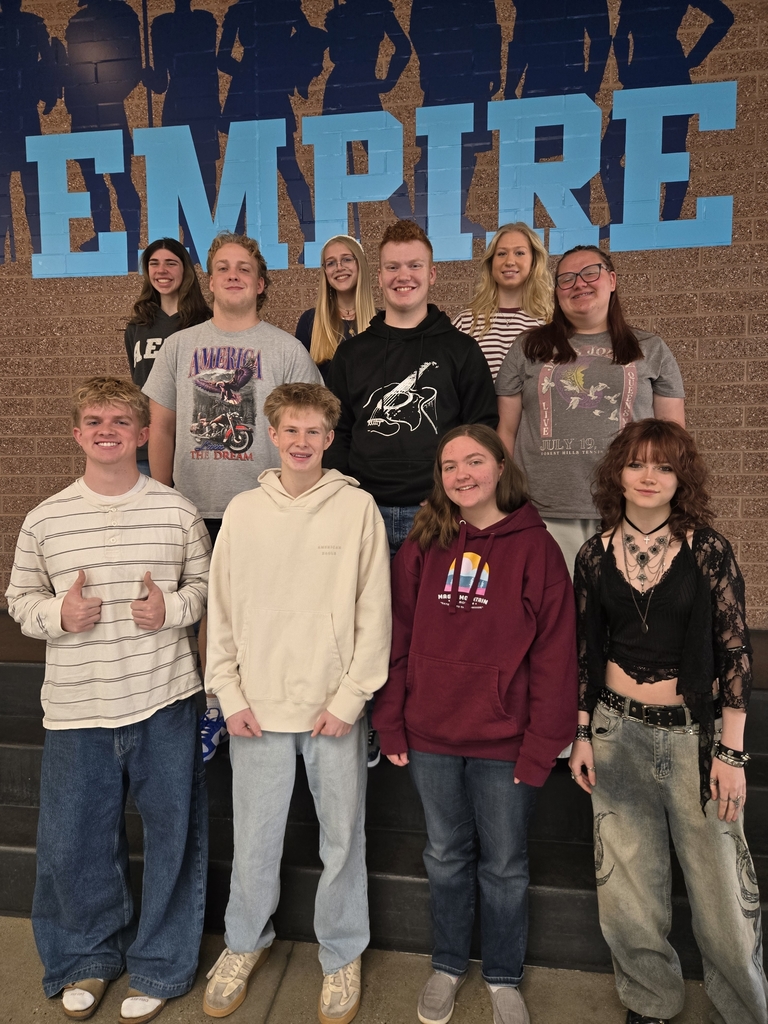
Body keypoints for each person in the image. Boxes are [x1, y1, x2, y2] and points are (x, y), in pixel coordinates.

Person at [5, 377, 210, 1024]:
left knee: (175, 838)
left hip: (164, 700)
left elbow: (206, 586)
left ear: (144, 433)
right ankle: (85, 959)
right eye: (94, 420)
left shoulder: (176, 509)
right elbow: (18, 600)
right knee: (75, 842)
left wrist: (172, 608)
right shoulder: (46, 518)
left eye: (122, 420)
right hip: (77, 709)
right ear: (76, 433)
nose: (108, 430)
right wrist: (59, 615)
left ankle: (160, 964)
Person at [373, 423, 577, 1024]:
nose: (462, 474)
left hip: (506, 741)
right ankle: (447, 963)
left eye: (475, 461)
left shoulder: (535, 548)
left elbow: (555, 653)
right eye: (449, 465)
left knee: (506, 863)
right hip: (430, 734)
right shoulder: (423, 542)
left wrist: (544, 745)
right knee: (444, 854)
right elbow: (396, 636)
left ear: (500, 467)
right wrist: (391, 722)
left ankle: (505, 974)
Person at [202, 382, 391, 1023]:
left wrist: (351, 697)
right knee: (255, 839)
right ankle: (243, 943)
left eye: (314, 432)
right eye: (291, 430)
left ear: (329, 439)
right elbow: (221, 613)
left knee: (342, 841)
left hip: (331, 710)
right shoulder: (243, 512)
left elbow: (374, 612)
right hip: (256, 706)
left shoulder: (356, 509)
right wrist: (228, 695)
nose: (302, 442)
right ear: (273, 435)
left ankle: (340, 956)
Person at [569, 418, 768, 1024]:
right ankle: (649, 999)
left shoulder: (707, 549)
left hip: (693, 739)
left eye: (663, 465)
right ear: (617, 474)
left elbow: (735, 651)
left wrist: (730, 753)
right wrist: (581, 732)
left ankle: (743, 1008)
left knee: (720, 891)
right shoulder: (593, 554)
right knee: (626, 888)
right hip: (615, 733)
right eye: (636, 463)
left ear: (682, 477)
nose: (648, 476)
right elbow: (585, 651)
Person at [143, 231, 321, 760]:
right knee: (203, 615)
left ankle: (259, 702)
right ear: (211, 281)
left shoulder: (286, 349)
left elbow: (308, 431)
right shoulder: (179, 346)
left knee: (260, 612)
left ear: (261, 282)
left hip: (264, 509)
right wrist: (161, 498)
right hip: (195, 506)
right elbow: (161, 428)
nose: (233, 274)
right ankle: (212, 709)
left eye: (244, 267)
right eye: (222, 267)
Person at [495, 244, 686, 574]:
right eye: (567, 279)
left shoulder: (650, 349)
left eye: (590, 273)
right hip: (544, 511)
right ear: (556, 292)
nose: (579, 284)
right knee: (555, 615)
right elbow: (506, 430)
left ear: (611, 280)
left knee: (623, 617)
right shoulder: (527, 347)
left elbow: (673, 437)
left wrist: (673, 505)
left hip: (629, 509)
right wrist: (503, 497)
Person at [325, 219, 498, 559]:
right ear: (379, 277)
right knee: (370, 613)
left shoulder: (462, 350)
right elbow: (337, 432)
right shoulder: (351, 354)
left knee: (434, 613)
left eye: (414, 265)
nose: (403, 276)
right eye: (392, 267)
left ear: (432, 274)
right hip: (364, 513)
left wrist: (455, 493)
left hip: (439, 513)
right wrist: (347, 498)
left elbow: (481, 430)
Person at [125, 237, 212, 476]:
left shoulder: (207, 323)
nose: (161, 270)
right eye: (154, 263)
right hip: (147, 447)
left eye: (171, 263)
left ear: (185, 269)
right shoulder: (137, 326)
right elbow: (141, 383)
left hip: (194, 444)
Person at [452, 222, 553, 381]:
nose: (510, 261)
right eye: (501, 254)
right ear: (491, 263)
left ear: (534, 263)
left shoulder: (548, 323)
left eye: (519, 253)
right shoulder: (465, 322)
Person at [295, 235, 376, 382]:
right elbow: (300, 385)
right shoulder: (310, 321)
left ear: (360, 264)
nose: (339, 267)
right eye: (331, 263)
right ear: (325, 271)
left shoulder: (383, 321)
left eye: (346, 259)